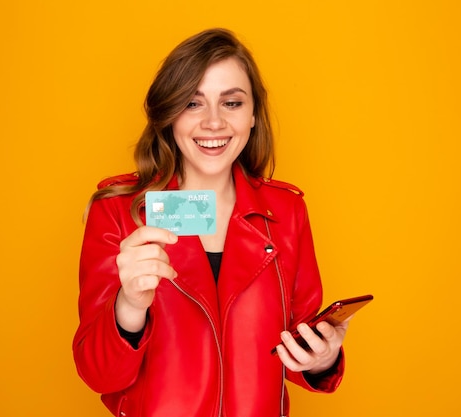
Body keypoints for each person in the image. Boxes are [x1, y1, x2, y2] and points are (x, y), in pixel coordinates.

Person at [73, 28, 348, 417]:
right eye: (192, 103)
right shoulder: (119, 212)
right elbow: (100, 376)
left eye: (232, 103)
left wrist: (322, 357)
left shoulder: (287, 213)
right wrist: (130, 305)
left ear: (253, 115)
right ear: (169, 115)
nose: (214, 122)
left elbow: (297, 350)